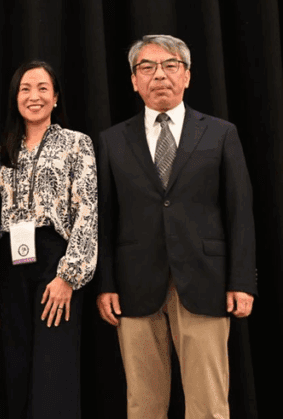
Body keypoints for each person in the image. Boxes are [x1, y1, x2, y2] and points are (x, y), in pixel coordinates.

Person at [96, 34, 256, 419]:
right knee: (144, 404)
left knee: (208, 404)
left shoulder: (221, 133)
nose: (159, 75)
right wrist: (106, 284)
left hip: (207, 282)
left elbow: (240, 211)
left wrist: (242, 280)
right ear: (134, 81)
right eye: (147, 67)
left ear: (187, 75)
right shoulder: (112, 140)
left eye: (170, 66)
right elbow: (104, 219)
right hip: (134, 287)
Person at [0, 61, 97, 418]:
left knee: (55, 370)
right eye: (25, 89)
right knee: (15, 367)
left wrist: (69, 275)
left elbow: (87, 210)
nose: (33, 96)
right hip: (9, 264)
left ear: (55, 97)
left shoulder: (76, 143)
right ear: (14, 97)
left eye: (42, 88)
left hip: (56, 261)